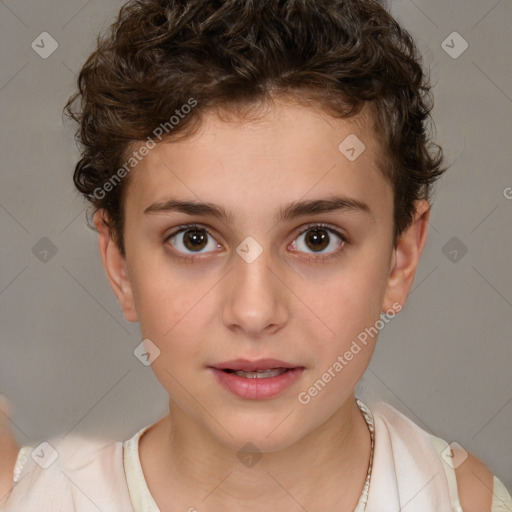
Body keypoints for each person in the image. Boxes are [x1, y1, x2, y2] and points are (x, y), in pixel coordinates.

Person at [1, 0, 510, 510]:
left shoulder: (462, 499)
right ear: (120, 265)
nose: (254, 311)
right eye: (194, 239)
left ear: (401, 258)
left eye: (317, 238)